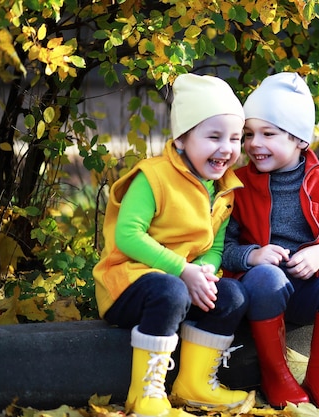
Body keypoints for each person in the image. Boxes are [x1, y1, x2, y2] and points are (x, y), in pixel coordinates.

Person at [93, 74, 250, 417]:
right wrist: (183, 271)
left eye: (235, 138)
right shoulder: (153, 177)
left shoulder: (223, 188)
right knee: (171, 291)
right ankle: (145, 393)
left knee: (232, 296)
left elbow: (215, 244)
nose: (226, 147)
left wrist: (205, 270)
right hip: (127, 284)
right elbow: (128, 236)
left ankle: (193, 384)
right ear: (181, 139)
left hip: (179, 282)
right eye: (213, 137)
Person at [222, 72, 319, 414]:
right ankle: (277, 377)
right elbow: (223, 248)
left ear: (300, 139)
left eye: (268, 133)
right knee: (266, 276)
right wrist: (253, 255)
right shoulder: (237, 185)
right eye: (248, 135)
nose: (254, 144)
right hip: (258, 295)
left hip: (307, 292)